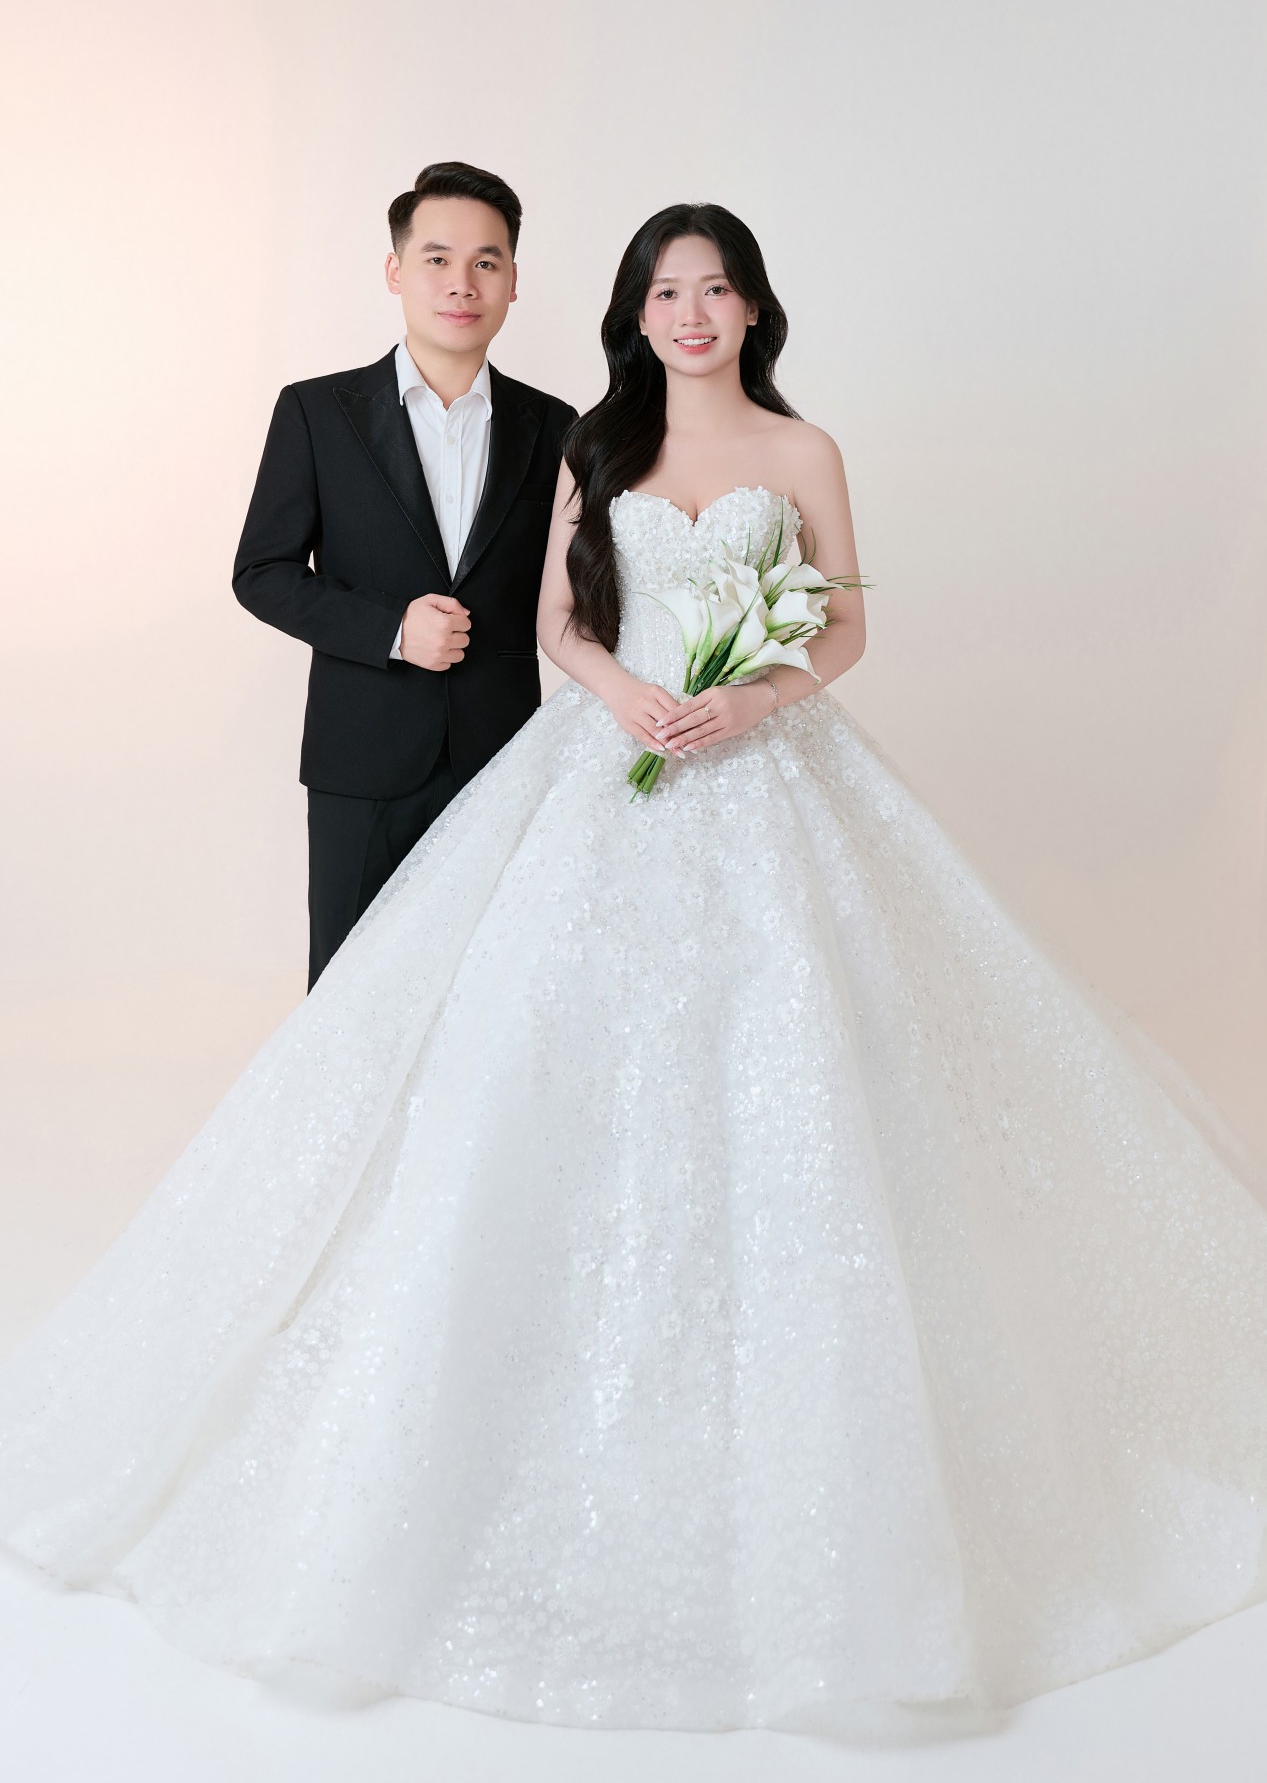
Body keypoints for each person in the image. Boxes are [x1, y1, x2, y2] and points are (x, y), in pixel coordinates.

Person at [3, 202, 1267, 1741]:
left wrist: (752, 701)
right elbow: (554, 622)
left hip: (769, 770)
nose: (690, 314)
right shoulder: (592, 450)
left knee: (807, 1062)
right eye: (666, 292)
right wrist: (628, 698)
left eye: (715, 290)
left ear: (752, 311)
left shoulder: (804, 452)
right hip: (612, 765)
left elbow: (843, 632)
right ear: (633, 314)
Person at [233, 160, 577, 987]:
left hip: (502, 758)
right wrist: (390, 629)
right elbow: (262, 571)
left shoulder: (556, 426)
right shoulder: (317, 411)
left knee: (487, 993)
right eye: (437, 259)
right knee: (349, 991)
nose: (462, 283)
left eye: (486, 262)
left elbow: (574, 589)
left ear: (513, 281)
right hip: (362, 756)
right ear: (395, 271)